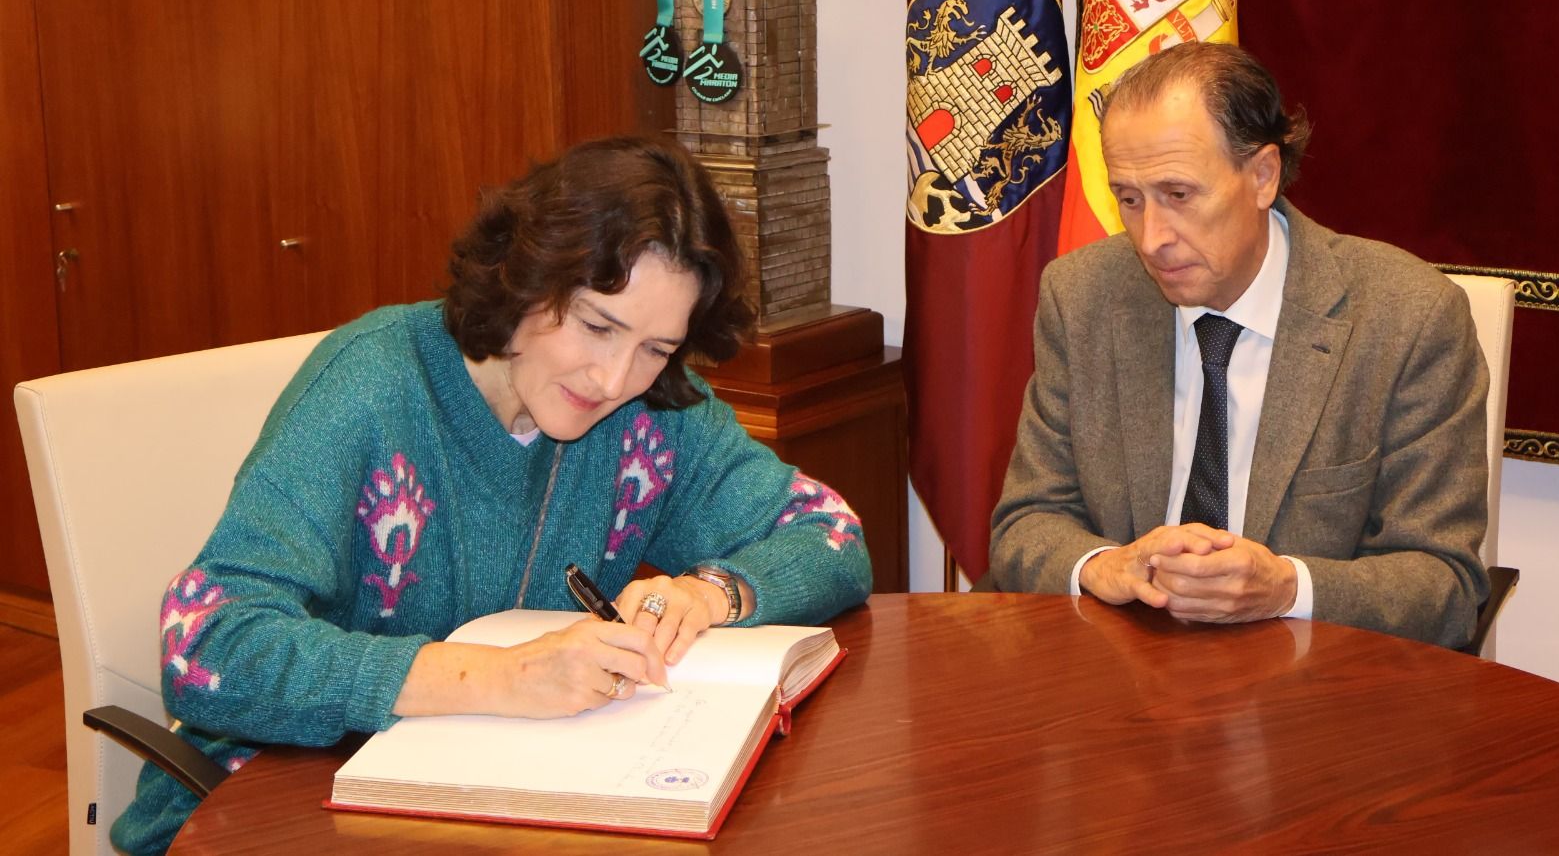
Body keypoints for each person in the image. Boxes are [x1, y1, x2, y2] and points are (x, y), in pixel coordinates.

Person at [112, 137, 872, 854]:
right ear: (526, 275)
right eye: (596, 326)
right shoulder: (370, 388)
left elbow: (831, 534)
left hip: (489, 808)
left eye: (655, 348)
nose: (613, 380)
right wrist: (500, 677)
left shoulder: (651, 416)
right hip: (277, 804)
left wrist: (714, 594)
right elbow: (206, 645)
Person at [989, 42, 1489, 648]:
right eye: (1129, 199)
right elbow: (1025, 523)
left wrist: (1286, 588)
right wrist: (1105, 565)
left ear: (1262, 176)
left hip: (1316, 695)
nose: (1151, 239)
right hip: (1128, 682)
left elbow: (1444, 583)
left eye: (1179, 195)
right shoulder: (1084, 296)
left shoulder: (1407, 317)